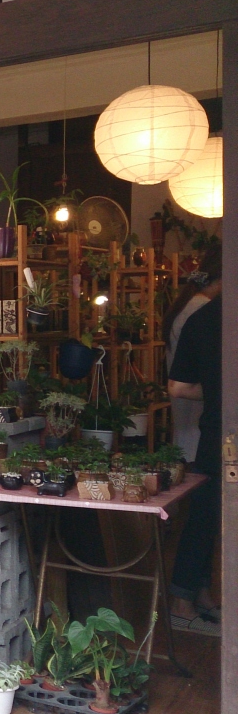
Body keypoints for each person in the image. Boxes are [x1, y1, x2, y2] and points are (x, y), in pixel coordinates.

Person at [166, 248, 222, 635]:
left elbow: (179, 386)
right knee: (206, 516)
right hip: (218, 430)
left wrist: (217, 394)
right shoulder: (207, 315)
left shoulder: (199, 316)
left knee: (205, 514)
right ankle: (184, 601)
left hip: (211, 430)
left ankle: (196, 596)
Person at [164, 250, 222, 463]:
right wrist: (222, 391)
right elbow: (180, 386)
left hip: (188, 427)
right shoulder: (206, 312)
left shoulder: (190, 307)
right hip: (198, 428)